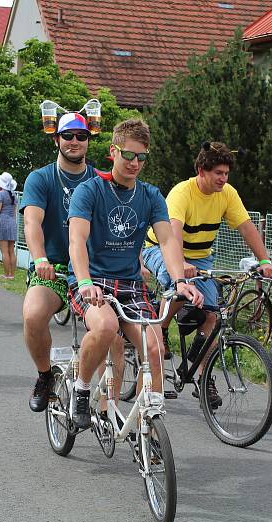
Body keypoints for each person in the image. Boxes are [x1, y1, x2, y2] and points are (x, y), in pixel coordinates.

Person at [68, 118, 203, 429]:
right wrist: (85, 281)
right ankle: (82, 387)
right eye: (128, 155)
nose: (135, 163)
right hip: (93, 281)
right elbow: (77, 239)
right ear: (113, 152)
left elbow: (167, 239)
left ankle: (149, 427)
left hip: (130, 284)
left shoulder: (151, 195)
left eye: (142, 157)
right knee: (105, 327)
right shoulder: (90, 191)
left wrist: (179, 280)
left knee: (155, 349)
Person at [141, 141, 272, 407]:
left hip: (202, 256)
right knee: (177, 284)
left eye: (226, 174)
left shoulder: (227, 194)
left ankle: (203, 377)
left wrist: (264, 259)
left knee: (214, 314)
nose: (223, 179)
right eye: (218, 173)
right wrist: (180, 264)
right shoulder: (183, 192)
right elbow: (173, 233)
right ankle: (162, 328)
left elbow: (247, 227)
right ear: (201, 171)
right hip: (161, 247)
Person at [20, 112, 107, 412]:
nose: (74, 141)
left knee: (112, 335)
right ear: (56, 139)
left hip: (92, 272)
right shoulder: (40, 178)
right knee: (32, 315)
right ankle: (45, 375)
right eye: (68, 136)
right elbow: (32, 222)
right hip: (54, 269)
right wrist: (39, 258)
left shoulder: (100, 181)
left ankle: (106, 407)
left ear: (88, 140)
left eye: (81, 136)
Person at [0, 171, 18, 280]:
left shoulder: (0, 194)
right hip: (12, 222)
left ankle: (6, 275)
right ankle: (12, 274)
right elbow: (14, 212)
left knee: (4, 251)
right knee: (11, 250)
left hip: (2, 222)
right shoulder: (14, 195)